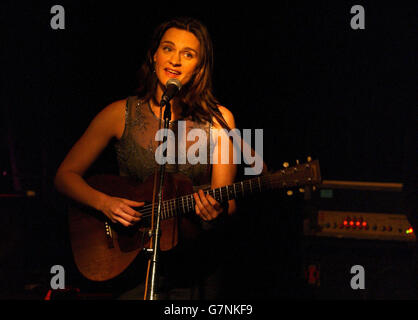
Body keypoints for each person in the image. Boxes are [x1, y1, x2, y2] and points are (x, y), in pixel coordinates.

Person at [54, 17, 239, 299]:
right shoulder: (119, 114)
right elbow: (64, 177)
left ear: (199, 67)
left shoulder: (219, 120)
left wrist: (218, 211)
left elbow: (228, 199)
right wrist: (106, 204)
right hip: (132, 265)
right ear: (154, 56)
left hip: (196, 267)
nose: (175, 60)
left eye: (188, 54)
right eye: (168, 48)